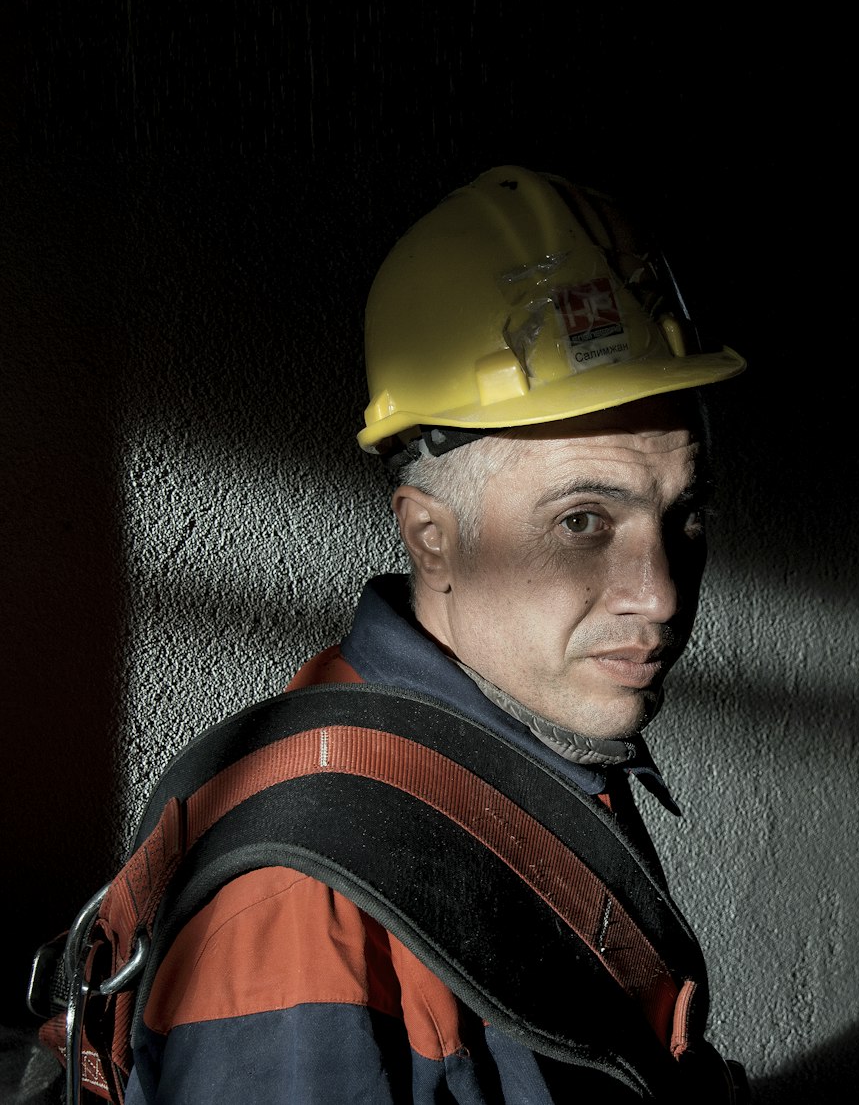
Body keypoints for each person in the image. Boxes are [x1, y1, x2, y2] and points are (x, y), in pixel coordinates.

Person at [122, 164, 749, 1103]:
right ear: (432, 534)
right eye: (583, 521)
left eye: (685, 514)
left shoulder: (533, 745)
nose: (658, 593)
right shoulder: (307, 916)